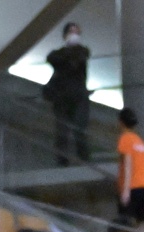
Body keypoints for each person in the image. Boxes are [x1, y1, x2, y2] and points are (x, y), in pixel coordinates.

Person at [43, 21, 92, 163]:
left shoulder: (82, 51)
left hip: (78, 97)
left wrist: (67, 59)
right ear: (65, 35)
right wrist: (68, 57)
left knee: (79, 129)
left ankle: (83, 159)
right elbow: (52, 58)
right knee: (62, 131)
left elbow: (81, 56)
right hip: (62, 98)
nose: (75, 35)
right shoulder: (58, 54)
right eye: (72, 32)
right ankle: (62, 160)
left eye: (77, 32)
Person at [115, 107, 144, 223]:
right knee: (142, 227)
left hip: (134, 187)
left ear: (121, 123)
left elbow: (128, 164)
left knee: (125, 224)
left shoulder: (125, 138)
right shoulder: (140, 141)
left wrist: (125, 190)